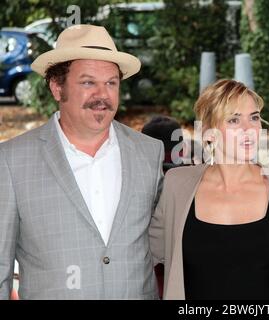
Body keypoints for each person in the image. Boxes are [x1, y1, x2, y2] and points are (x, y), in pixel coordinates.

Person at [0, 24, 164, 299]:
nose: (102, 94)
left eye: (111, 82)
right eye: (88, 82)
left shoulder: (150, 152)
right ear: (56, 88)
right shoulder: (11, 161)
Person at [149, 79, 269, 300]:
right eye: (234, 120)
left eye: (254, 117)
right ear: (208, 133)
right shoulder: (177, 186)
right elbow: (144, 255)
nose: (249, 129)